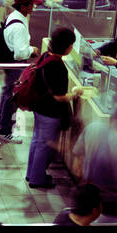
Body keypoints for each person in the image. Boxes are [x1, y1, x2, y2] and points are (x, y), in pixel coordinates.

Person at [27, 28, 84, 189]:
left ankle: (31, 173)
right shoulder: (57, 66)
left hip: (39, 107)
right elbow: (58, 97)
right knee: (44, 145)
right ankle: (37, 179)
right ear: (66, 47)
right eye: (71, 45)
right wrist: (74, 94)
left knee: (37, 141)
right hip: (49, 112)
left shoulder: (45, 56)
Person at [0, 0, 40, 143]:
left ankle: (1, 117)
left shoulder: (13, 16)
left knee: (7, 90)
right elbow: (20, 54)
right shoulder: (19, 26)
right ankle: (5, 130)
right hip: (16, 64)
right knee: (13, 96)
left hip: (9, 60)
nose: (33, 7)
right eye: (31, 5)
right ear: (24, 6)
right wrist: (32, 50)